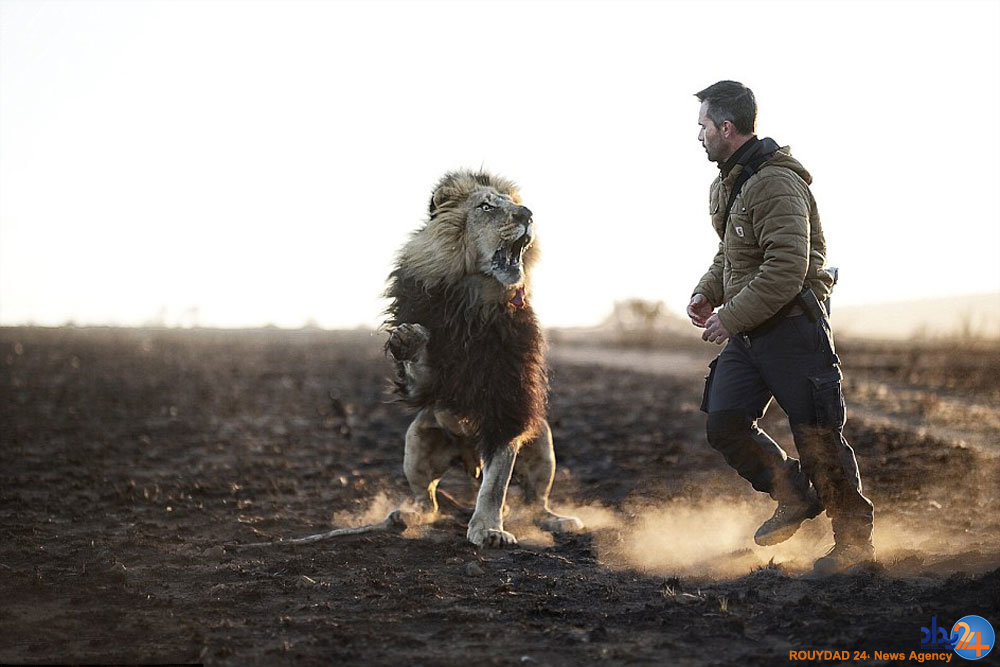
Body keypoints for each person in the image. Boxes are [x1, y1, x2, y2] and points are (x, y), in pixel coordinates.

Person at [687, 80, 874, 575]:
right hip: (751, 335)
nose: (698, 135)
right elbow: (733, 253)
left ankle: (854, 546)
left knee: (819, 438)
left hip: (793, 331)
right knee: (725, 423)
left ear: (726, 127)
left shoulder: (775, 183)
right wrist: (707, 291)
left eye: (703, 126)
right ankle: (793, 495)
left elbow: (787, 269)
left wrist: (730, 317)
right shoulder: (731, 183)